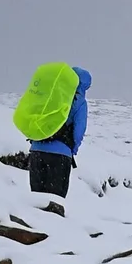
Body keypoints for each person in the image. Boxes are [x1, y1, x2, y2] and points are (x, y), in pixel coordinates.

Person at [26, 65, 90, 198]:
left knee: (37, 200)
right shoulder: (80, 102)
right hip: (60, 155)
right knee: (55, 201)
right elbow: (79, 130)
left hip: (37, 151)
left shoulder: (49, 94)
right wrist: (72, 149)